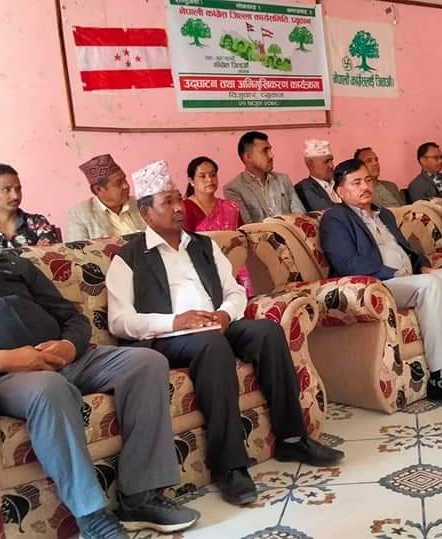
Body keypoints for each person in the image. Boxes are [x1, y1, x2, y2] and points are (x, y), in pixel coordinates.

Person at [0, 183, 199, 538]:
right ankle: (91, 515)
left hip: (65, 357)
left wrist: (69, 346)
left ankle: (141, 497)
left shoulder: (10, 262)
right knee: (48, 388)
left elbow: (70, 315)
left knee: (146, 363)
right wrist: (2, 358)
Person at [107, 161, 343, 506]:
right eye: (167, 202)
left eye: (178, 199)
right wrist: (175, 322)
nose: (178, 208)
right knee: (212, 346)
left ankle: (293, 439)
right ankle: (229, 465)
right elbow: (119, 321)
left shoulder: (204, 245)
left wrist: (224, 314)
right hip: (169, 337)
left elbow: (234, 291)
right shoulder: (128, 257)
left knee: (267, 332)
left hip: (216, 324)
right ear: (146, 213)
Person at [319, 159, 442, 407]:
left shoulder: (383, 214)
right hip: (378, 284)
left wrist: (422, 265)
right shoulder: (336, 218)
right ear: (340, 192)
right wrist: (394, 274)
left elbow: (406, 248)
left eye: (367, 180)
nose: (365, 186)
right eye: (356, 183)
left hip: (408, 278)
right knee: (428, 286)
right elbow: (346, 263)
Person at [182, 156, 252, 295]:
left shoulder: (230, 207)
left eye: (213, 175)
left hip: (235, 267)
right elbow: (184, 245)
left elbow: (242, 238)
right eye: (202, 176)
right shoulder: (186, 208)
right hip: (203, 272)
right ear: (191, 181)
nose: (209, 179)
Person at [224, 131, 305, 223]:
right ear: (248, 157)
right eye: (265, 151)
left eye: (270, 150)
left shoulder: (283, 180)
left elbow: (300, 216)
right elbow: (247, 227)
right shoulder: (233, 189)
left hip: (290, 231)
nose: (271, 155)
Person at [0, 163, 62, 251]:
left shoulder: (37, 222)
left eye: (18, 189)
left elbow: (50, 255)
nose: (15, 196)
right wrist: (33, 252)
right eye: (6, 190)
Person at [66, 154, 144, 241]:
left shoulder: (139, 204)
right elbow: (78, 248)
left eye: (125, 179)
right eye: (118, 183)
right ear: (98, 189)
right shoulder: (80, 215)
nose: (126, 186)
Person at [294, 139, 340, 211]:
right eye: (326, 161)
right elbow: (329, 212)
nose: (331, 166)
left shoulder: (339, 182)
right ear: (310, 164)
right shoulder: (304, 187)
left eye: (331, 160)